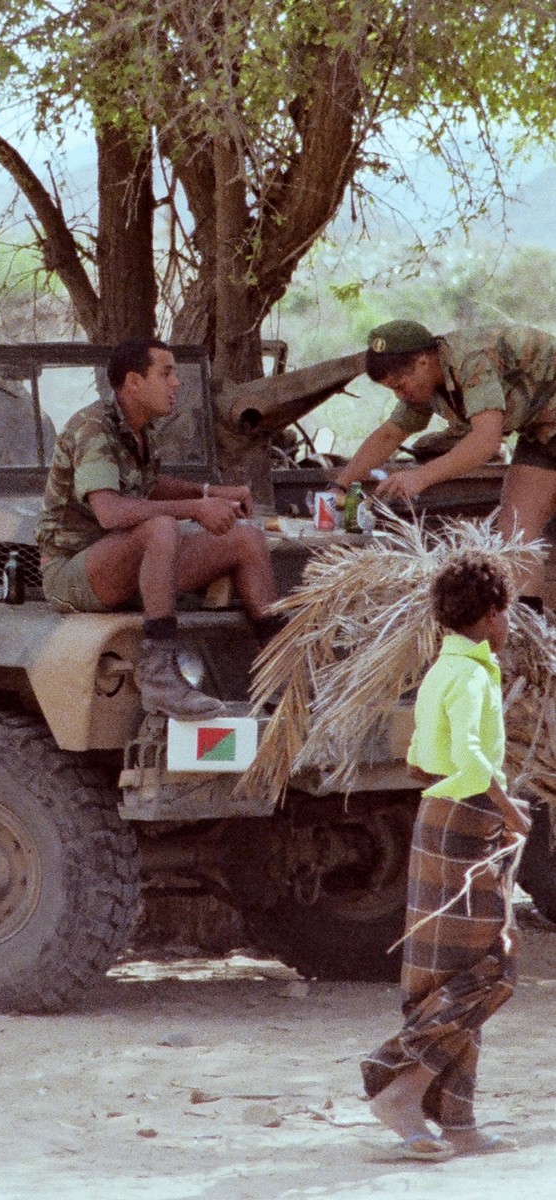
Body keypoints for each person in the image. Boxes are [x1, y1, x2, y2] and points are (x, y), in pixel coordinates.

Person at [360, 550, 531, 1161]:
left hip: (440, 819)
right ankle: (398, 1084)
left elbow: (420, 758)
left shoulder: (441, 670)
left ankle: (456, 1119)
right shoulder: (474, 677)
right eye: (507, 612)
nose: (511, 622)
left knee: (446, 978)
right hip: (466, 826)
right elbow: (467, 756)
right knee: (494, 971)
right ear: (490, 614)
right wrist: (510, 811)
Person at [35, 337, 281, 720]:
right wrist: (195, 509)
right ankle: (159, 675)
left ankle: (280, 675)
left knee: (246, 538)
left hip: (125, 562)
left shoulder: (139, 430)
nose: (177, 384)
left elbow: (147, 485)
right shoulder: (93, 428)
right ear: (133, 382)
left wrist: (211, 491)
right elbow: (111, 513)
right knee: (160, 527)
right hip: (73, 571)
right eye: (166, 373)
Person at [335, 320, 556, 608]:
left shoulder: (472, 358)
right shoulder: (426, 382)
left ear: (423, 362)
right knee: (515, 537)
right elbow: (391, 433)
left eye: (400, 385)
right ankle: (526, 633)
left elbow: (486, 441)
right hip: (545, 430)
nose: (399, 395)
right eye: (392, 389)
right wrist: (339, 484)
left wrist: (419, 477)